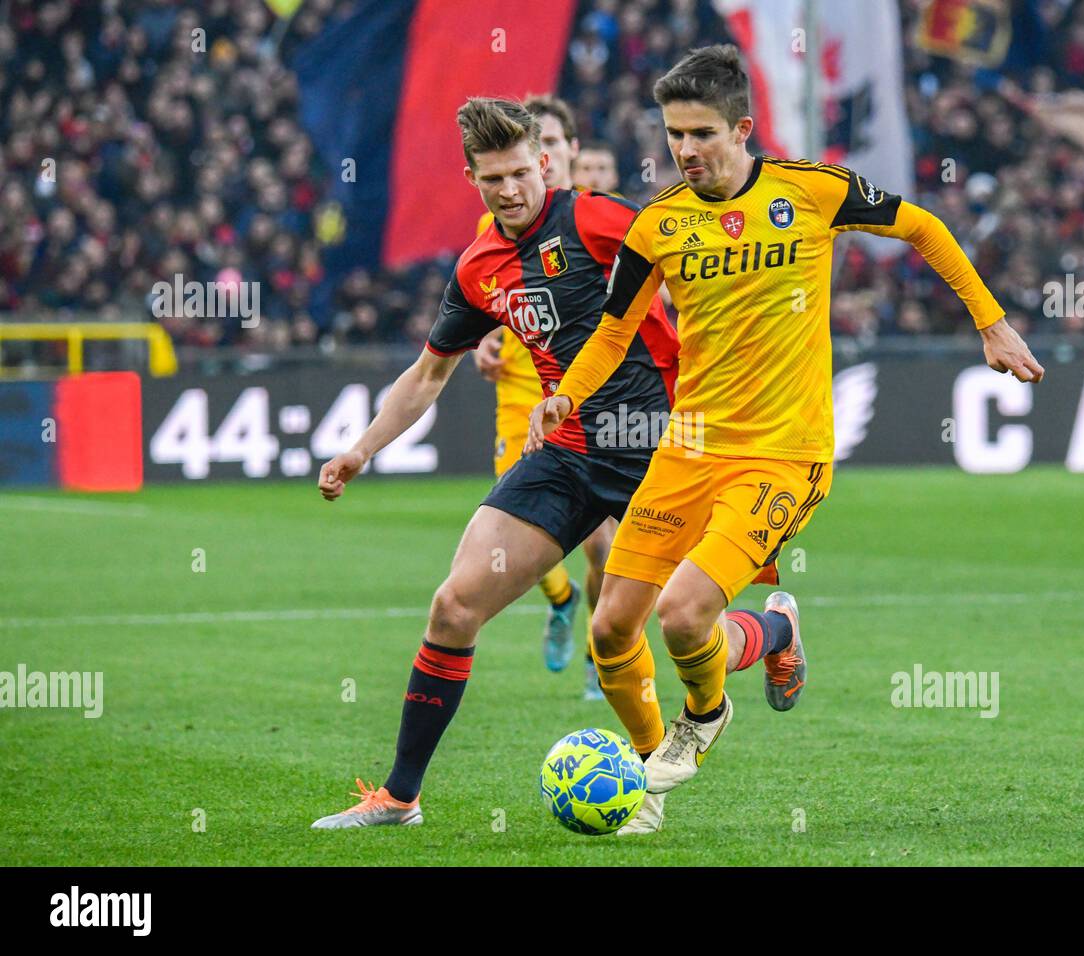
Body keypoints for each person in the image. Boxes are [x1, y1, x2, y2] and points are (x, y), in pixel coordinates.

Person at [528, 44, 1045, 821]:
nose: (685, 150)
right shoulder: (658, 227)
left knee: (682, 614)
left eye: (701, 133)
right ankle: (741, 670)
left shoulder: (811, 190)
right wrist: (566, 397)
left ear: (742, 129)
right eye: (674, 134)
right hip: (688, 449)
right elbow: (611, 330)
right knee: (610, 630)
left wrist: (991, 322)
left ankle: (702, 719)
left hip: (783, 453)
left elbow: (924, 226)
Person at [310, 97, 773, 833]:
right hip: (566, 454)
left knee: (677, 619)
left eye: (521, 172)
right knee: (454, 607)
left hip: (662, 447)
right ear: (473, 179)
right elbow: (428, 374)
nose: (510, 190)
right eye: (492, 179)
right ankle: (400, 799)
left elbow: (696, 251)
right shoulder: (479, 267)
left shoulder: (594, 218)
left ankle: (772, 636)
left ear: (545, 165)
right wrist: (360, 449)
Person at [468, 95, 603, 699]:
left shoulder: (596, 218)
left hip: (598, 407)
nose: (513, 181)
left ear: (562, 152)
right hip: (522, 396)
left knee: (603, 545)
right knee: (518, 535)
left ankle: (605, 656)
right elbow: (492, 298)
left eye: (545, 145)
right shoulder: (492, 227)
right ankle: (564, 600)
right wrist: (486, 343)